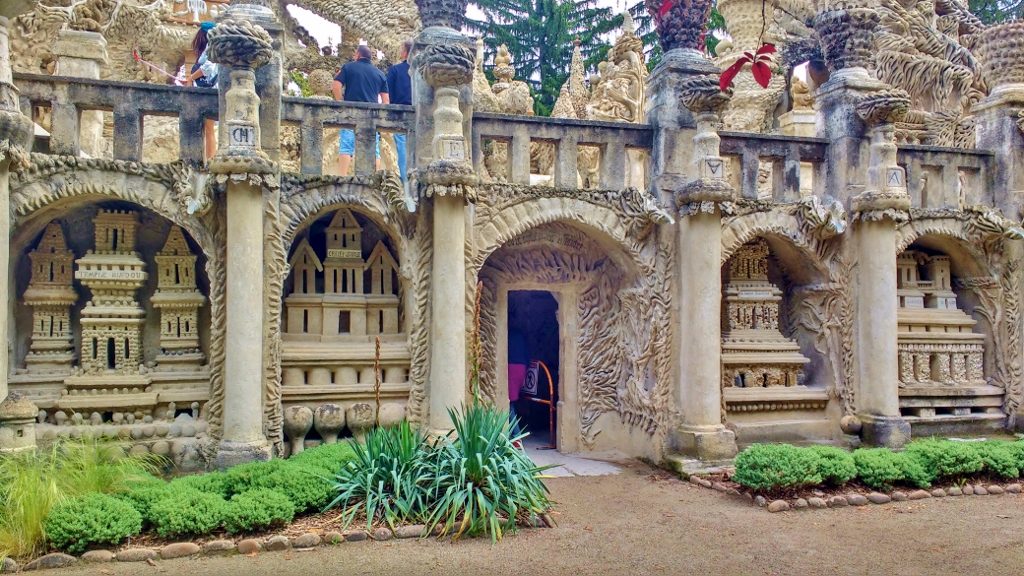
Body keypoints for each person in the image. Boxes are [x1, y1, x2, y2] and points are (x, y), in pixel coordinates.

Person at [333, 45, 389, 175]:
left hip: (350, 112)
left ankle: (342, 177)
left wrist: (340, 102)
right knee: (373, 148)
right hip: (372, 115)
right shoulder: (379, 74)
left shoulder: (349, 67)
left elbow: (336, 85)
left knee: (347, 145)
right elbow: (386, 101)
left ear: (358, 54)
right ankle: (374, 178)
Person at [184, 21, 218, 161]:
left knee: (209, 129)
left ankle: (210, 161)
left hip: (209, 92)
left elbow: (208, 68)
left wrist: (191, 78)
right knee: (206, 128)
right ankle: (206, 159)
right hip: (207, 90)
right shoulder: (212, 48)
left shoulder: (212, 48)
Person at [385, 40, 413, 182]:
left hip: (399, 112)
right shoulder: (421, 72)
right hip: (419, 113)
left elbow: (387, 91)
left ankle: (405, 181)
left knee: (402, 149)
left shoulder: (395, 70)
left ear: (405, 52)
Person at [508, 327, 528, 442]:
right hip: (521, 368)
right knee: (512, 402)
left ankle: (516, 437)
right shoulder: (519, 335)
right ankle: (514, 435)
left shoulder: (508, 335)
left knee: (509, 404)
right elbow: (527, 355)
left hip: (510, 367)